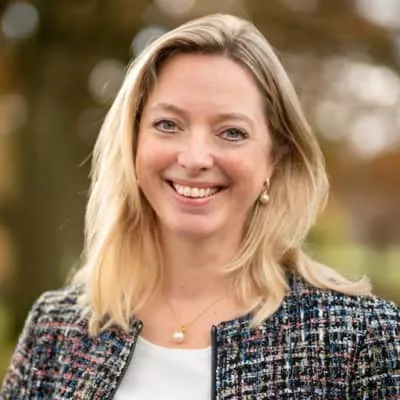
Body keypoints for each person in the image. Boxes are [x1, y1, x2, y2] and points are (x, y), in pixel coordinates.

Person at [1, 13, 399, 400]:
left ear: (274, 160)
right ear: (134, 142)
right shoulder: (55, 329)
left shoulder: (361, 340)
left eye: (232, 132)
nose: (194, 158)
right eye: (168, 124)